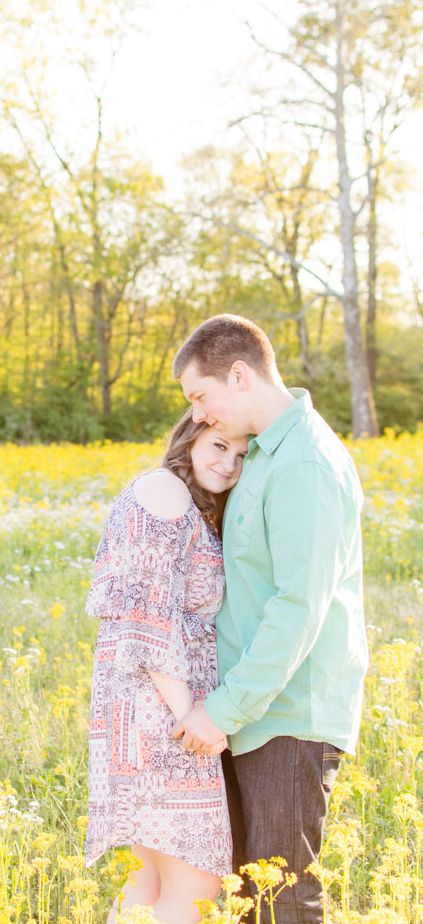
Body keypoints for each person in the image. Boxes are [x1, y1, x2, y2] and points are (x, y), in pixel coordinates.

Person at [170, 314, 368, 924]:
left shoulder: (304, 463)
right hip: (252, 709)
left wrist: (222, 710)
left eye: (201, 396)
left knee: (284, 900)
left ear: (239, 374)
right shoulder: (259, 455)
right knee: (248, 898)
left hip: (287, 715)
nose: (199, 414)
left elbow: (297, 607)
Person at [85, 409, 249, 924]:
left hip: (142, 712)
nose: (229, 464)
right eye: (220, 446)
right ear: (190, 434)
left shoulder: (180, 499)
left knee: (149, 883)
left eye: (242, 455)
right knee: (196, 886)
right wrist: (192, 718)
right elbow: (146, 618)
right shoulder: (164, 491)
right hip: (162, 716)